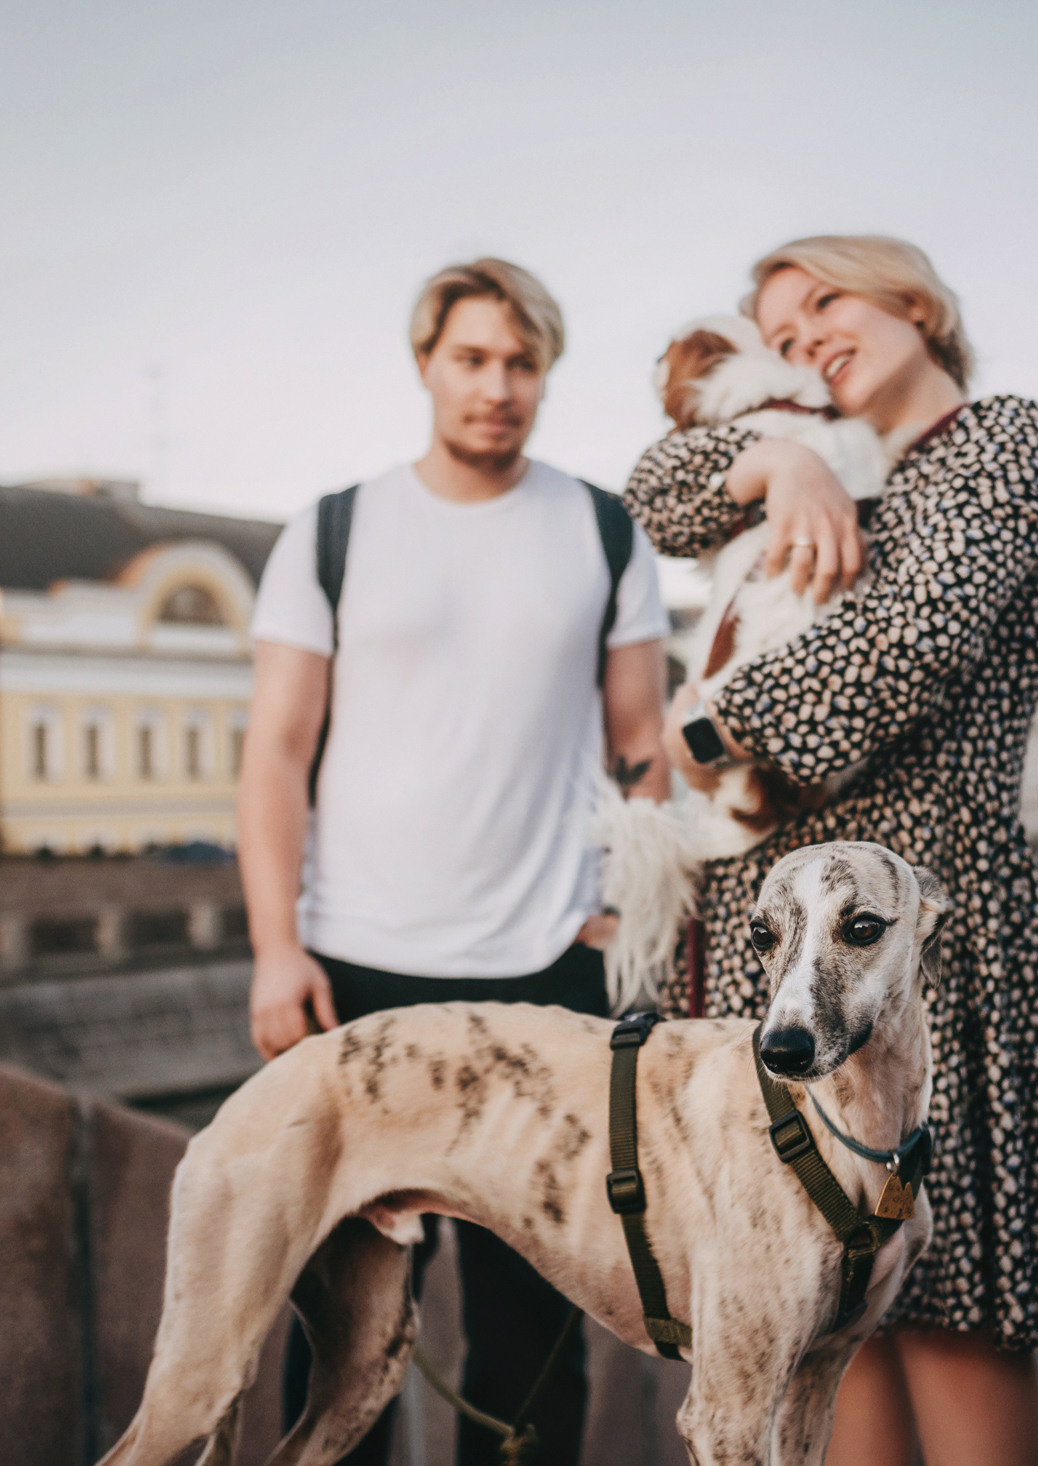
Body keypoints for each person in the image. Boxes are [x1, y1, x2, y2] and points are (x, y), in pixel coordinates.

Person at [625, 235, 1038, 1466]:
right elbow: (656, 491)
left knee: (949, 1306)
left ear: (915, 303)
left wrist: (713, 722)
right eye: (781, 330)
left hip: (919, 922)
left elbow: (912, 637)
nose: (806, 337)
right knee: (824, 1323)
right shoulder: (818, 459)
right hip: (772, 936)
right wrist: (774, 456)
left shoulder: (1002, 442)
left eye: (826, 300)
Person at [238, 257, 672, 1466]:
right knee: (341, 1329)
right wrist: (277, 946)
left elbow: (641, 744)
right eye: (473, 359)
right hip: (354, 971)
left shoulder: (600, 528)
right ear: (425, 362)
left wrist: (621, 918)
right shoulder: (332, 529)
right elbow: (274, 753)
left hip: (541, 972)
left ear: (546, 374)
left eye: (522, 363)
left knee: (534, 1330)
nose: (498, 387)